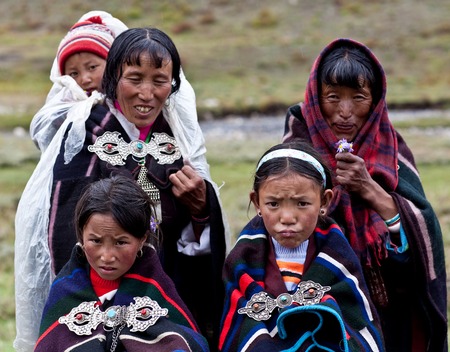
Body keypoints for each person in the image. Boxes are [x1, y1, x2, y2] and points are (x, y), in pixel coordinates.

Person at [15, 27, 229, 352]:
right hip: (96, 294)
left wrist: (200, 209)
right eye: (135, 78)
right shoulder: (85, 134)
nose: (147, 93)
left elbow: (190, 239)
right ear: (113, 77)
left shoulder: (174, 140)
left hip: (162, 294)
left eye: (159, 81)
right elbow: (64, 233)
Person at [282, 38, 447, 352]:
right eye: (333, 97)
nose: (345, 113)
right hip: (313, 312)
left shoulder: (391, 153)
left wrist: (369, 189)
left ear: (375, 101)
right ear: (316, 100)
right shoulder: (293, 152)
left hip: (388, 316)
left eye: (358, 98)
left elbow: (422, 237)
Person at [219, 141, 385, 351]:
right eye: (273, 204)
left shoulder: (338, 258)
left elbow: (355, 326)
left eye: (302, 203)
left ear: (324, 202)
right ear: (256, 202)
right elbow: (240, 327)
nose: (287, 218)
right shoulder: (242, 260)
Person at [34, 175, 210, 352]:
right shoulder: (65, 292)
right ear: (81, 234)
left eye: (120, 242)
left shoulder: (158, 292)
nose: (107, 256)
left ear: (142, 239)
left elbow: (187, 344)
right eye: (95, 241)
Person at [30, 10, 128, 153]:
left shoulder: (130, 99)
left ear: (112, 63)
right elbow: (43, 135)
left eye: (92, 67)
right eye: (74, 73)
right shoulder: (66, 104)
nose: (85, 79)